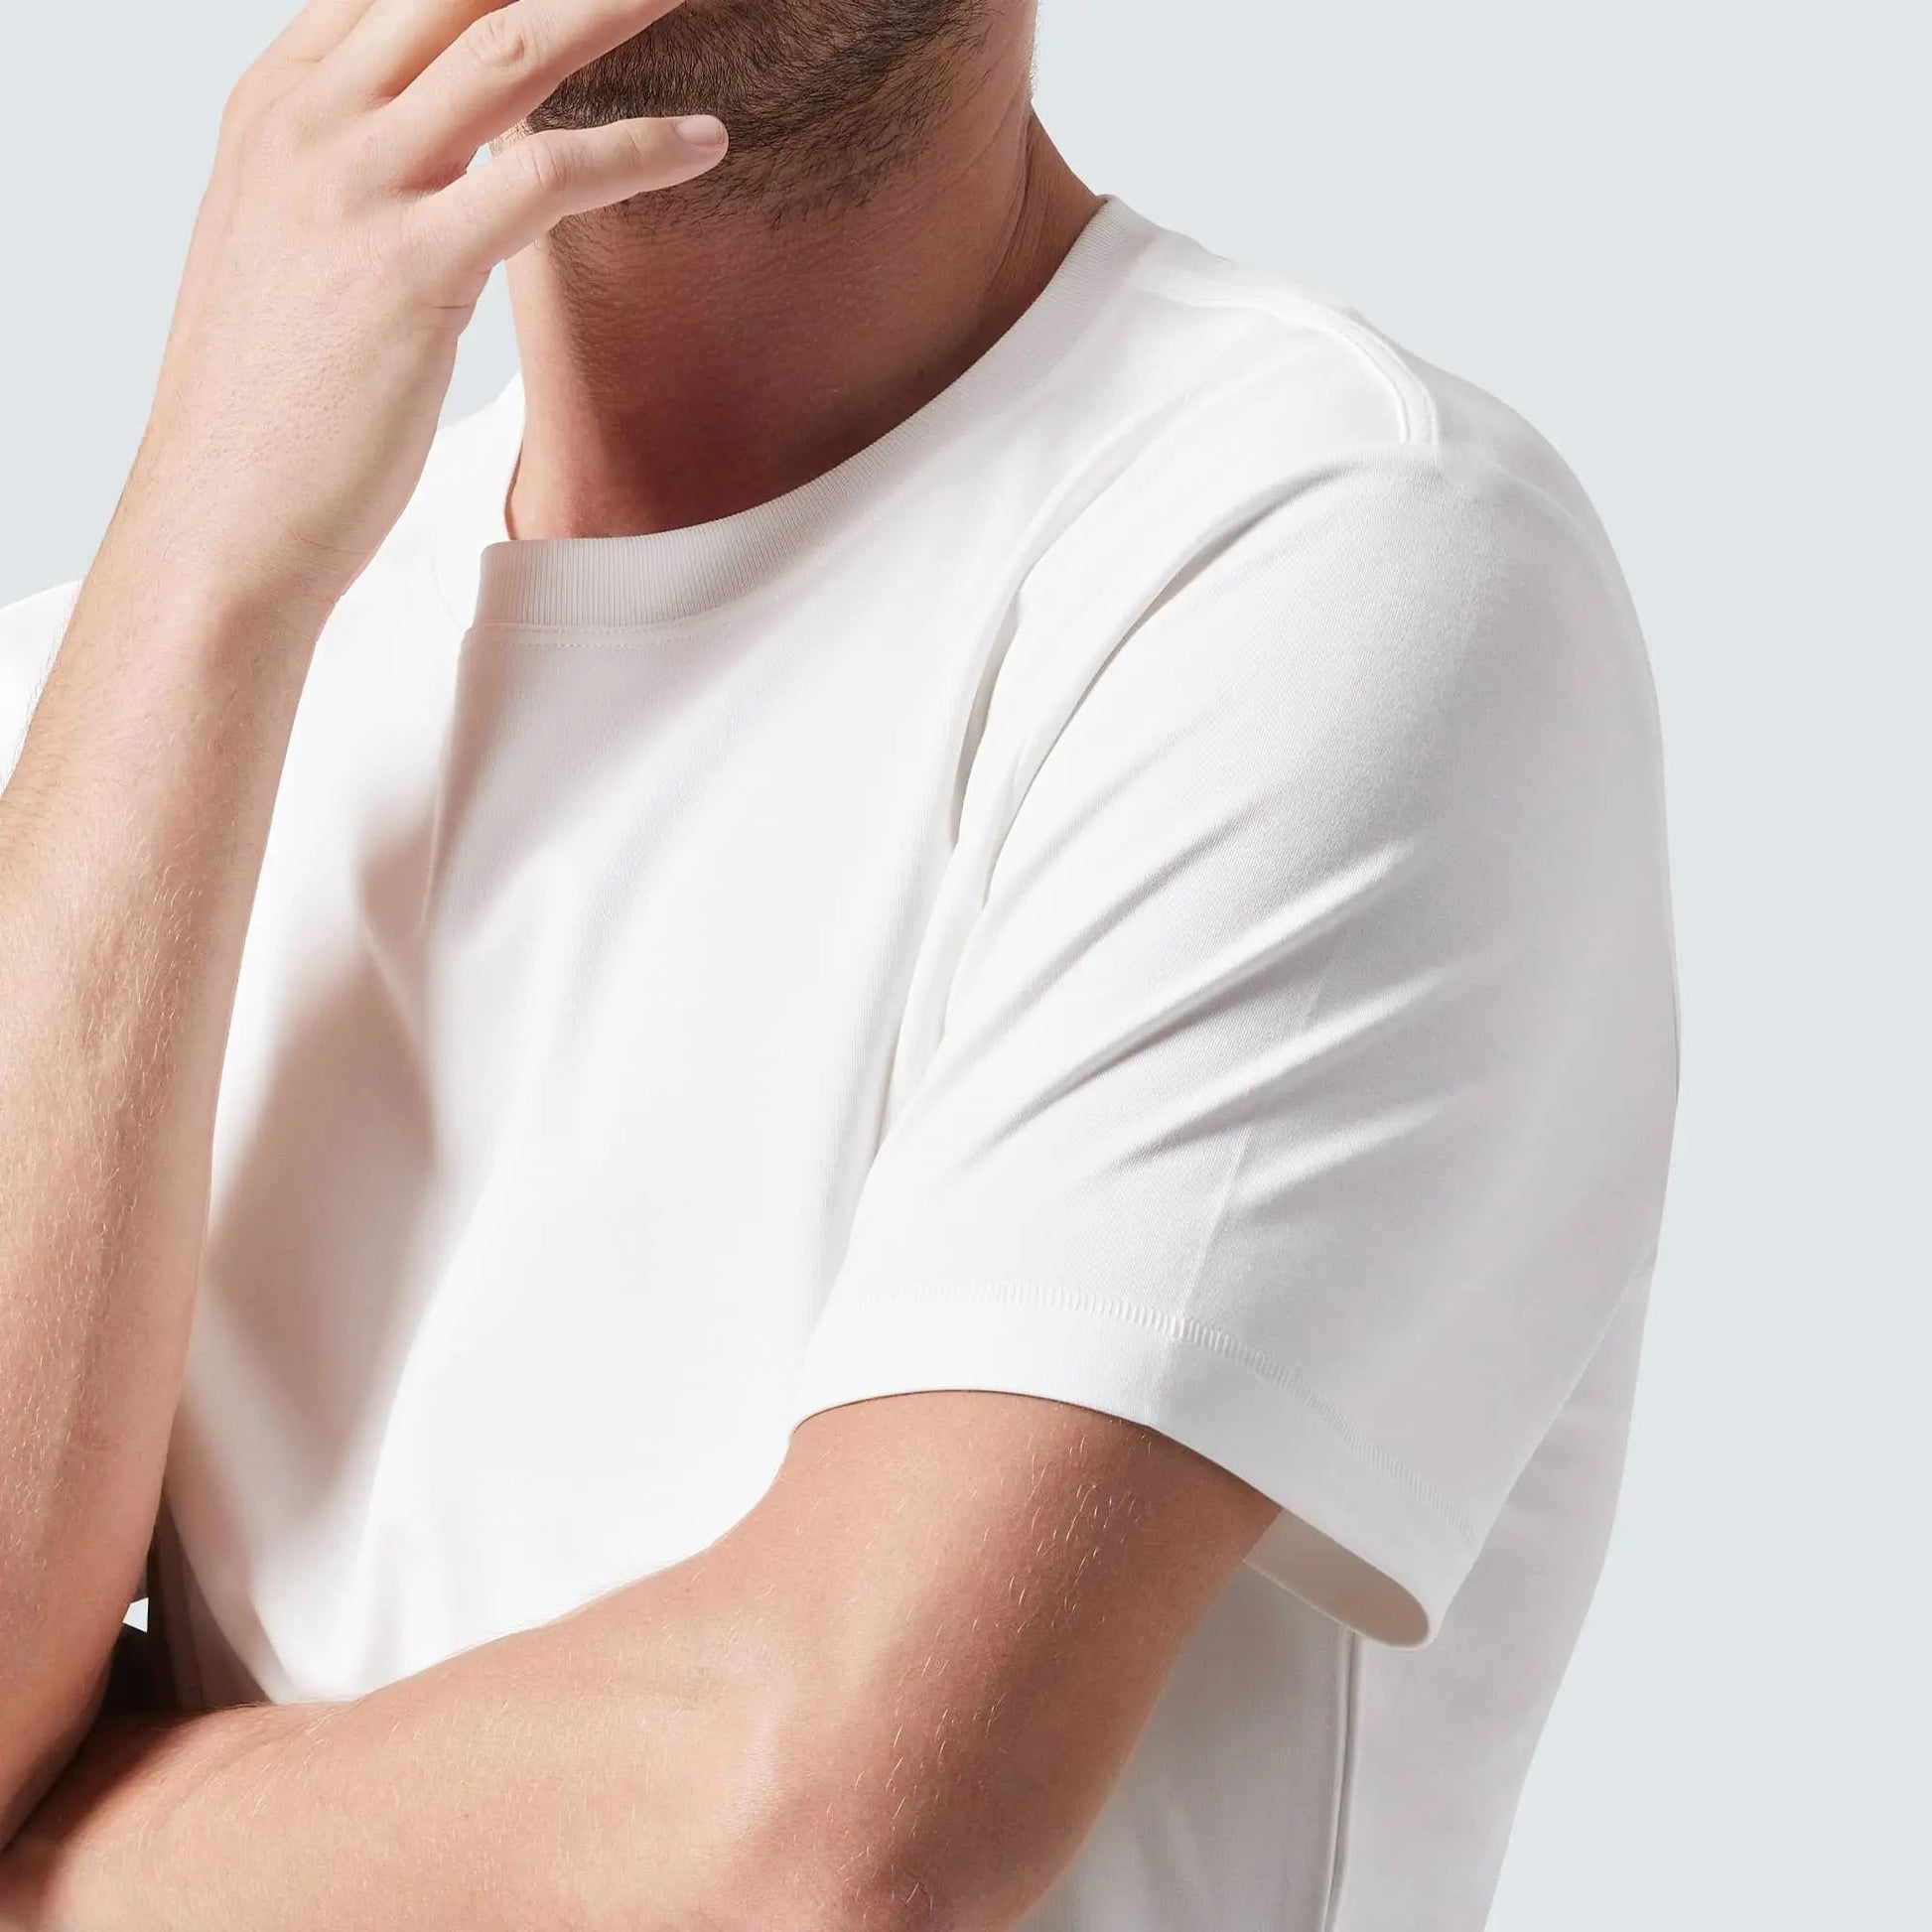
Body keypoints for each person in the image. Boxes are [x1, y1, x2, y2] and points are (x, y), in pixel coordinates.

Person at [0, 1, 1679, 1926]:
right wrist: (197, 564)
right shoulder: (128, 692)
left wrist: (44, 1848)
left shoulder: (1319, 548)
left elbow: (816, 1826)